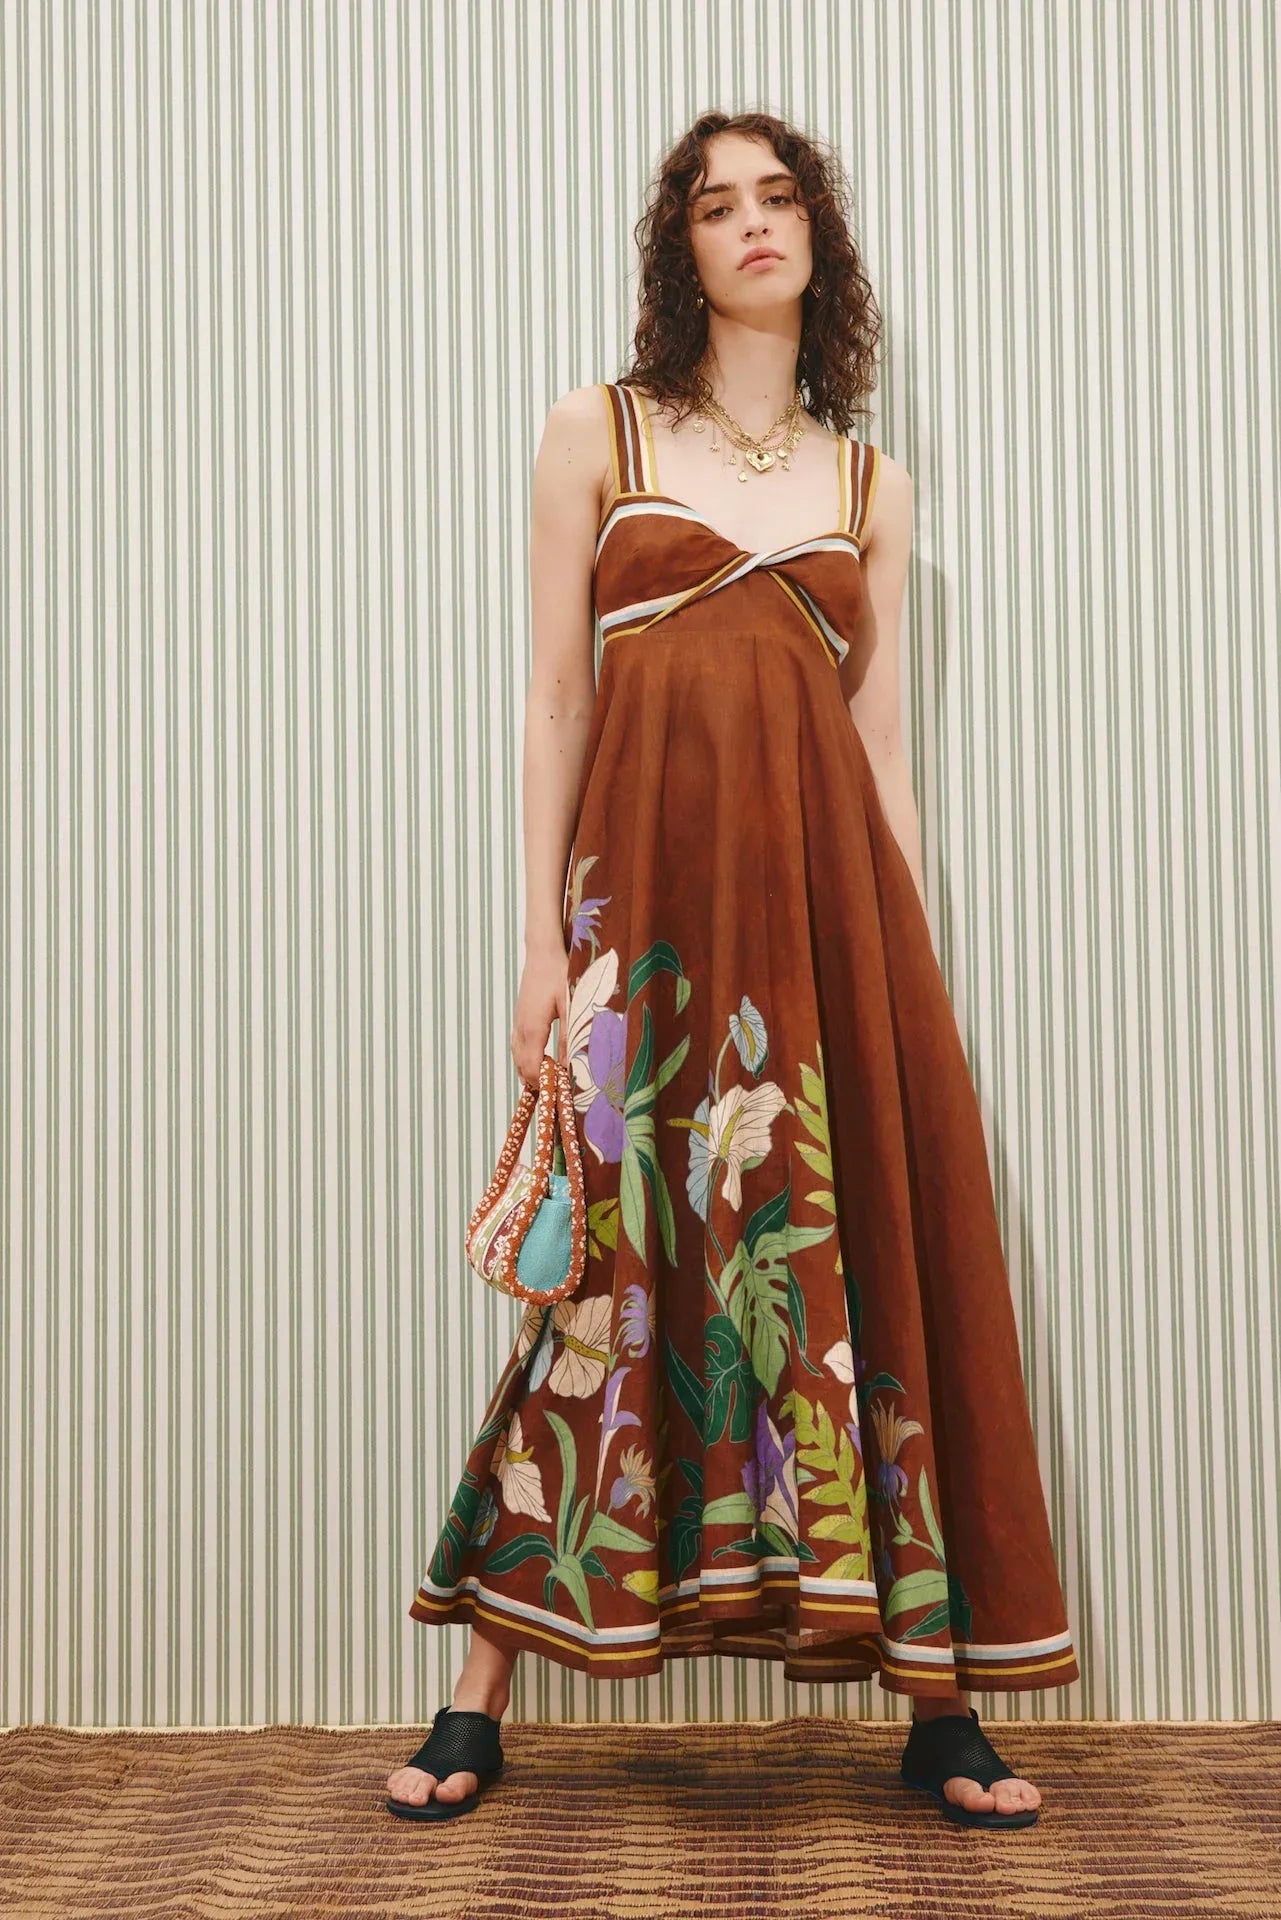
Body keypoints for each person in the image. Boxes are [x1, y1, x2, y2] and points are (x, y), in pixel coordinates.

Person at [387, 109, 1078, 1833]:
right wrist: (542, 944)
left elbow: (882, 750)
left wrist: (906, 986)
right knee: (600, 1282)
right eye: (716, 203)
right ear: (676, 247)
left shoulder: (871, 486)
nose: (750, 223)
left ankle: (939, 1703)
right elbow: (557, 700)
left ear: (817, 240)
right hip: (649, 930)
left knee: (864, 1281)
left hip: (836, 936)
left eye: (778, 198)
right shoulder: (593, 431)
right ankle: (482, 1694)